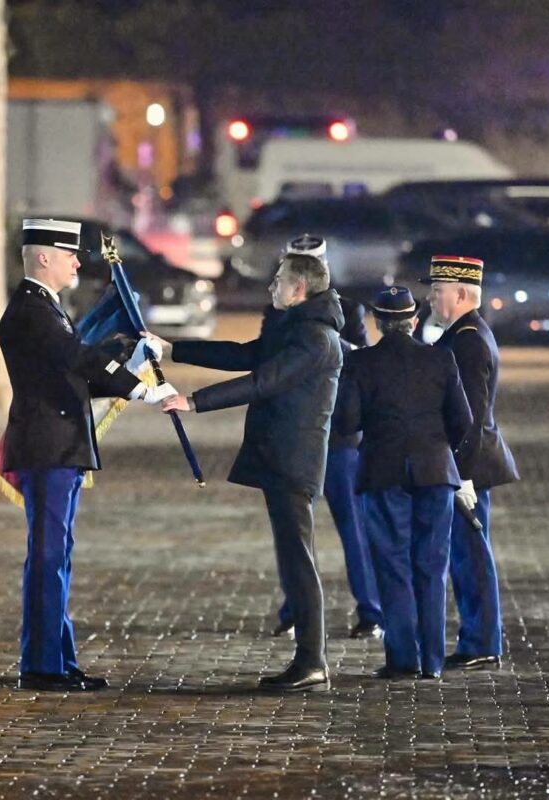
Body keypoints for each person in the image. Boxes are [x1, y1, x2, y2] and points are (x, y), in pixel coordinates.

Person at [152, 244, 344, 693]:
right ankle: (309, 659)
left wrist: (195, 402)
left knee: (299, 560)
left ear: (298, 290)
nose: (271, 287)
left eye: (277, 281)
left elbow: (264, 382)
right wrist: (173, 348)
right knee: (295, 556)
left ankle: (313, 661)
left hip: (295, 461)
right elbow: (243, 355)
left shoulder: (315, 338)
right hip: (281, 458)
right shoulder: (296, 328)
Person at [0, 218, 176, 692]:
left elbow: (80, 372)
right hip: (48, 447)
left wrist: (133, 364)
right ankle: (41, 666)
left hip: (62, 445)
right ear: (43, 258)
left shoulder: (48, 310)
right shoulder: (32, 313)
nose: (77, 261)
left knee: (58, 555)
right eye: (69, 254)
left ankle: (57, 657)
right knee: (48, 556)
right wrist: (142, 388)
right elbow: (80, 359)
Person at [333, 286, 473, 679]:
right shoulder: (441, 358)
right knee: (432, 566)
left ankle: (402, 658)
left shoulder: (361, 364)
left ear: (377, 323)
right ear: (414, 322)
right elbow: (462, 422)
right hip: (434, 472)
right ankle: (433, 661)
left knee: (392, 565)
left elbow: (347, 422)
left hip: (383, 472)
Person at [272, 236, 383, 641]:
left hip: (339, 438)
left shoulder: (346, 311)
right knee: (292, 530)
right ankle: (295, 608)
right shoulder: (278, 315)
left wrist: (334, 346)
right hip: (295, 436)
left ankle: (371, 610)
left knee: (353, 527)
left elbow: (365, 364)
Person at [425, 255, 519, 670]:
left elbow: (471, 416)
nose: (430, 298)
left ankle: (482, 641)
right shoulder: (465, 333)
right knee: (467, 555)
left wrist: (460, 475)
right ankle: (479, 637)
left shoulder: (466, 340)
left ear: (461, 294)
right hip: (467, 466)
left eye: (437, 291)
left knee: (470, 556)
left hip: (468, 469)